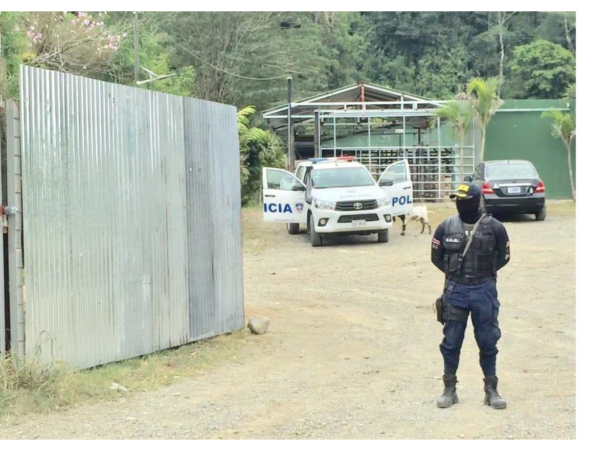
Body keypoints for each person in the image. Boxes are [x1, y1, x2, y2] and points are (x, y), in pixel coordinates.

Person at [431, 183, 510, 409]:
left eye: (465, 199)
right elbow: (436, 257)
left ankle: (491, 390)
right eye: (458, 199)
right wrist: (456, 277)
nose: (460, 203)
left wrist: (482, 276)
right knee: (451, 341)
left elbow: (503, 258)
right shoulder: (446, 227)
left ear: (476, 201)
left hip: (484, 290)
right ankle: (449, 389)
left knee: (488, 340)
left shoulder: (495, 227)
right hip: (456, 291)